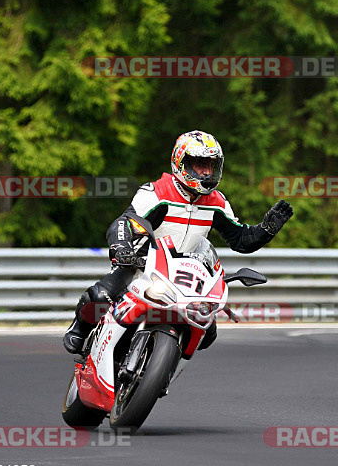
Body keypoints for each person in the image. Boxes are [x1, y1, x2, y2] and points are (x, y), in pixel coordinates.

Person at [63, 130, 293, 354]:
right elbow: (122, 224)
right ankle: (80, 329)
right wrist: (122, 249)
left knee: (208, 332)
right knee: (102, 294)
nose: (205, 172)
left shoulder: (217, 202)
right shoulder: (156, 192)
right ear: (181, 163)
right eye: (199, 164)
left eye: (210, 165)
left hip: (185, 276)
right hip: (142, 266)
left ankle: (161, 368)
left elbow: (242, 241)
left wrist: (267, 229)